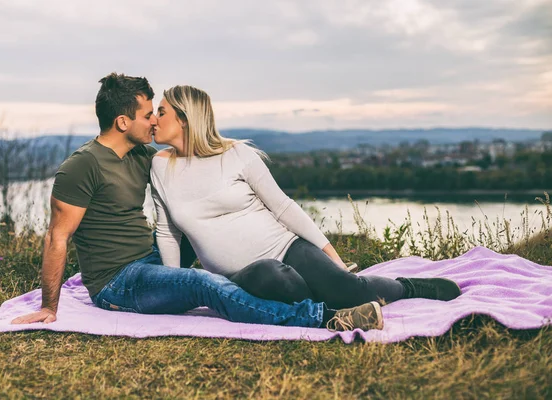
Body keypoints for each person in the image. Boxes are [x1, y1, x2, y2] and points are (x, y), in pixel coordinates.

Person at [10, 72, 386, 333]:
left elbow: (176, 212)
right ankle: (325, 317)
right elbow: (55, 238)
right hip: (118, 282)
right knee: (200, 282)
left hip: (150, 261)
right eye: (148, 114)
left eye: (159, 113)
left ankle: (255, 281)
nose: (154, 122)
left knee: (197, 225)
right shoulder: (81, 166)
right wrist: (49, 307)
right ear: (123, 122)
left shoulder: (145, 157)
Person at [150, 85, 462, 310]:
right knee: (273, 278)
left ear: (184, 119)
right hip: (241, 275)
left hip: (287, 247)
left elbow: (284, 207)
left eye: (161, 112)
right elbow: (167, 233)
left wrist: (332, 256)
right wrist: (176, 285)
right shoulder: (161, 166)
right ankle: (325, 305)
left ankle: (406, 287)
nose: (153, 119)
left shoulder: (237, 155)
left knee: (348, 291)